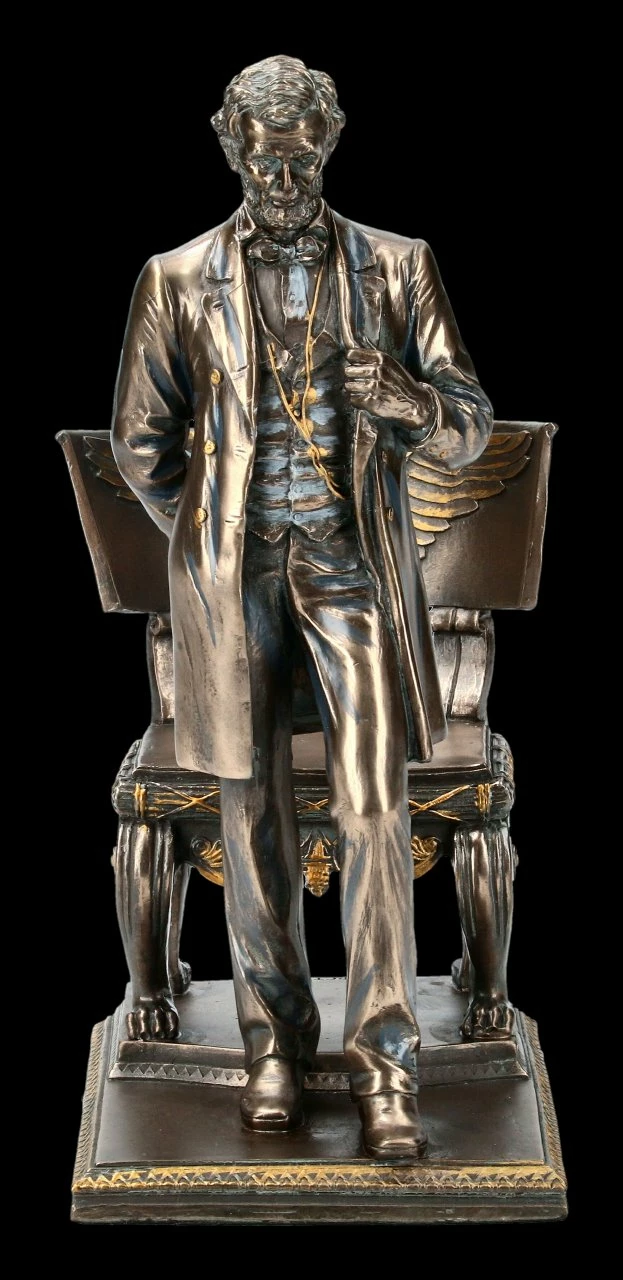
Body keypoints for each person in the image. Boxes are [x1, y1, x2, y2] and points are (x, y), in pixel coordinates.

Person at [111, 54, 493, 1160]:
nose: (282, 182)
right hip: (234, 579)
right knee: (251, 809)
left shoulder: (397, 265)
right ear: (231, 147)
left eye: (300, 160)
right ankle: (272, 1043)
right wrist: (209, 531)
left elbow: (468, 423)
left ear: (327, 145)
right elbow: (141, 442)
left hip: (352, 567)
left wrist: (408, 399)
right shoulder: (175, 278)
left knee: (374, 801)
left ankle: (385, 1061)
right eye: (264, 161)